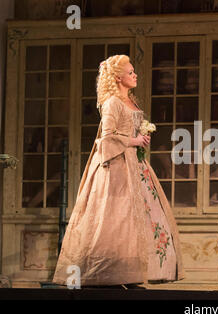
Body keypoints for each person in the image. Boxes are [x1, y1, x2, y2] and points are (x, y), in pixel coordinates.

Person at [52, 55, 184, 288]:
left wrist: (141, 138)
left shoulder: (130, 100)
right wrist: (133, 141)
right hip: (116, 168)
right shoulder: (112, 102)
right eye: (130, 72)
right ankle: (111, 274)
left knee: (142, 218)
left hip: (137, 166)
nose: (135, 75)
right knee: (116, 219)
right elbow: (105, 138)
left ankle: (133, 273)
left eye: (134, 71)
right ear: (117, 77)